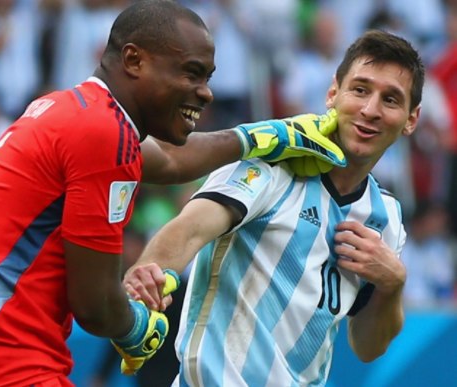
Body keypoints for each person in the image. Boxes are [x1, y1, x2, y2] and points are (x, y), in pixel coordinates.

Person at [0, 1, 345, 386]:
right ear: (134, 60)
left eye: (208, 77)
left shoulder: (76, 110)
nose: (206, 93)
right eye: (192, 73)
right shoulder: (102, 133)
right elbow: (95, 306)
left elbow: (174, 163)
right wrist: (136, 327)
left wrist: (265, 136)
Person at [124, 29, 425, 386]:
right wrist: (149, 277)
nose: (370, 110)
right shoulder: (270, 165)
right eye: (360, 90)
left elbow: (367, 347)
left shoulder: (386, 217)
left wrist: (393, 286)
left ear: (411, 119)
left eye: (390, 99)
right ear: (333, 93)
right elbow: (187, 230)